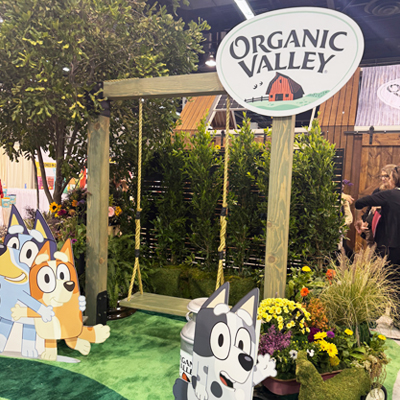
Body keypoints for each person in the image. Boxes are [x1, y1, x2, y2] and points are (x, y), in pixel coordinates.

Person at [355, 165, 400, 264]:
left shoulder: (390, 194)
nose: (384, 179)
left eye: (387, 176)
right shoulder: (380, 191)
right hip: (378, 234)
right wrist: (364, 220)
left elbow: (359, 203)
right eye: (382, 176)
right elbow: (367, 208)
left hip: (390, 242)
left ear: (394, 179)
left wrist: (358, 219)